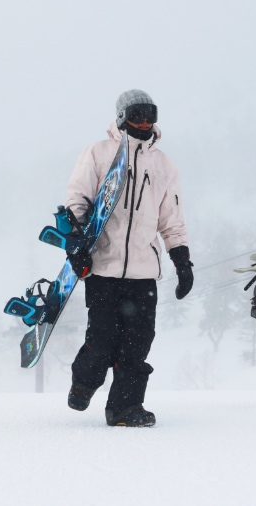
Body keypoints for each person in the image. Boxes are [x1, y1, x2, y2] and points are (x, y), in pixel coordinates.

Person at [65, 89, 193, 427]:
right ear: (123, 116)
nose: (145, 122)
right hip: (103, 267)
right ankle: (85, 379)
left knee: (137, 344)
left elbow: (172, 218)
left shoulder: (163, 164)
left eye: (151, 114)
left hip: (143, 272)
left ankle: (125, 408)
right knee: (103, 340)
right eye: (137, 114)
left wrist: (181, 260)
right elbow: (78, 198)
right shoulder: (100, 152)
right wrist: (75, 243)